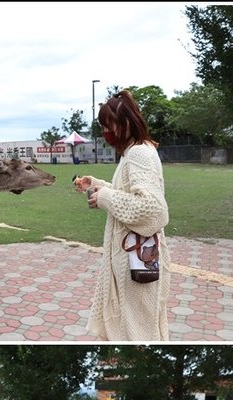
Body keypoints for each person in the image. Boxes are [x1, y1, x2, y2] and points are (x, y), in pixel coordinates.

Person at [75, 89, 170, 341]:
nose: (106, 132)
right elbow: (127, 193)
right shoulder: (135, 152)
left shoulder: (138, 153)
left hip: (136, 259)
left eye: (110, 125)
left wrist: (106, 198)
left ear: (126, 123)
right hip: (131, 258)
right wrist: (98, 186)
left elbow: (153, 210)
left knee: (137, 331)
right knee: (132, 326)